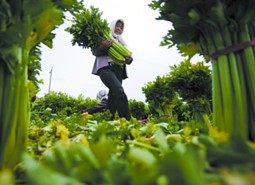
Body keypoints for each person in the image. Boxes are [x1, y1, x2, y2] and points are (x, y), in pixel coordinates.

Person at [90, 19, 133, 120]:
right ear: (112, 26)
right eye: (117, 26)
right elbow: (95, 52)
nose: (119, 28)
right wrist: (103, 45)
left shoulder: (122, 42)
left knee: (113, 97)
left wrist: (129, 59)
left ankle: (108, 121)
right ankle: (127, 121)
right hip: (106, 68)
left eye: (121, 27)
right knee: (119, 91)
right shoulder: (103, 37)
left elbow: (128, 59)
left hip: (119, 70)